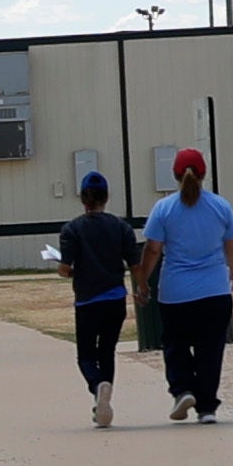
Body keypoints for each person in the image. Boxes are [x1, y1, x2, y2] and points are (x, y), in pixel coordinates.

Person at [137, 145, 233, 421]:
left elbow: (153, 249)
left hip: (176, 293)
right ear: (204, 173)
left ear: (174, 174)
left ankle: (182, 389)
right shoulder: (221, 206)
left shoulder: (164, 208)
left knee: (175, 344)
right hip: (215, 290)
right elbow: (231, 244)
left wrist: (142, 281)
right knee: (211, 349)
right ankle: (207, 408)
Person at [52, 167, 138, 428]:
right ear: (106, 197)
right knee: (107, 351)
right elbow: (134, 263)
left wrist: (66, 269)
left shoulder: (72, 230)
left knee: (86, 355)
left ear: (82, 199)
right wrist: (141, 288)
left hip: (88, 300)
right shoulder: (121, 227)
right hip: (115, 298)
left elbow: (65, 268)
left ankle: (97, 386)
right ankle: (105, 400)